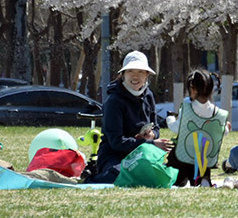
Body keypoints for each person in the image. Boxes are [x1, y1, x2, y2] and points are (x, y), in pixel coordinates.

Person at [91, 50, 170, 184]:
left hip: (141, 154)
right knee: (119, 177)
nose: (135, 76)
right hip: (114, 156)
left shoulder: (148, 95)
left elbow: (156, 127)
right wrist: (149, 143)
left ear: (146, 75)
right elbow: (117, 142)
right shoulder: (114, 102)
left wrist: (152, 135)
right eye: (130, 71)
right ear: (122, 75)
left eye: (140, 72)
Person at [167, 68, 229, 186]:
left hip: (183, 155)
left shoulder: (187, 105)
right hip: (204, 158)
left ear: (192, 90)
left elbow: (176, 128)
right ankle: (204, 179)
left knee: (179, 153)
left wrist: (170, 119)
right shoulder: (215, 111)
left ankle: (180, 179)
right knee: (202, 151)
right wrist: (227, 128)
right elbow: (222, 132)